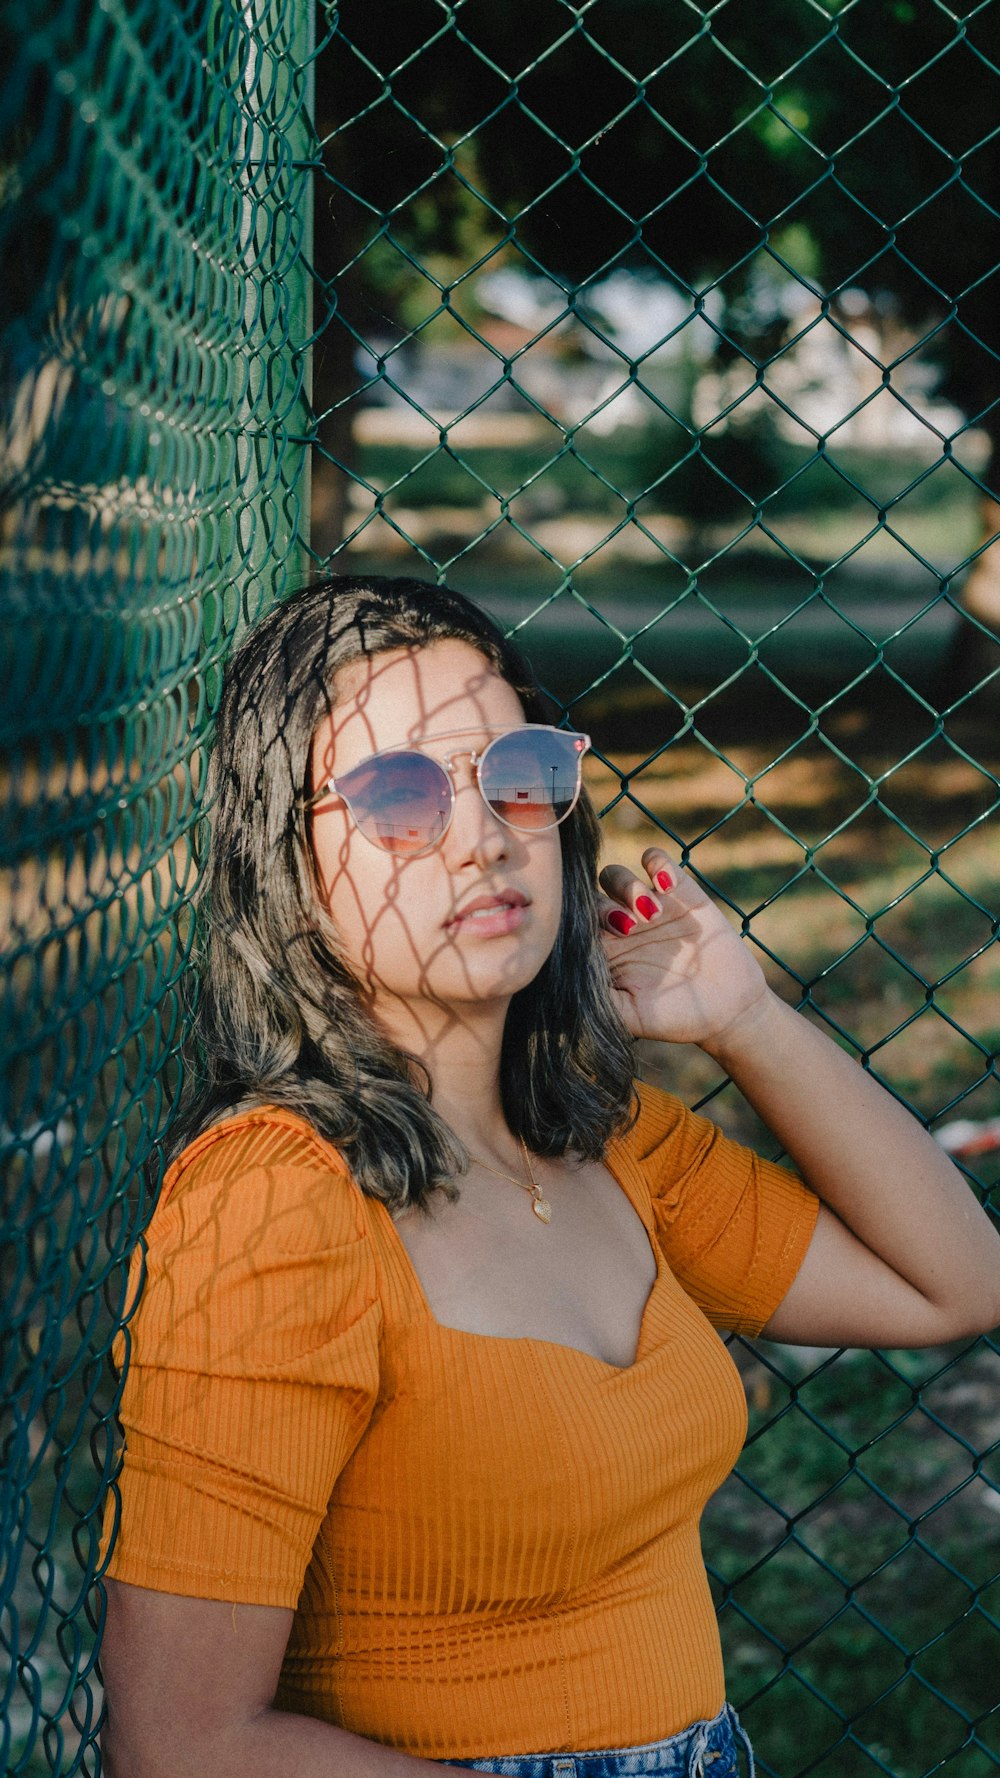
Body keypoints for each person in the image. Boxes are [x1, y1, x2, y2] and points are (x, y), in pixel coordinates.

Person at [98, 573, 1000, 1778]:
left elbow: (953, 1283)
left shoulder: (602, 1140)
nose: (482, 832)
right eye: (400, 793)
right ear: (288, 861)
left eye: (514, 768)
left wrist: (747, 1020)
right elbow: (183, 1742)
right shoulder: (270, 1203)